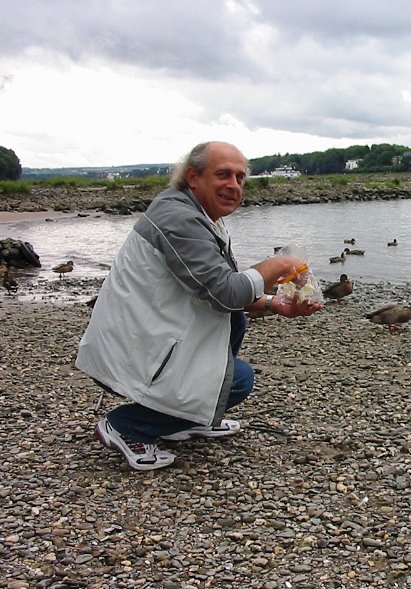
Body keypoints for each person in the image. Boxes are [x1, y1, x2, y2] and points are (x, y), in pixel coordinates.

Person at [76, 141, 323, 471]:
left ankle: (193, 415)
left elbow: (216, 286)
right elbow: (225, 293)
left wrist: (272, 304)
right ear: (193, 177)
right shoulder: (180, 219)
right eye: (223, 174)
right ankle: (127, 426)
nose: (234, 185)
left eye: (240, 177)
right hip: (130, 349)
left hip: (146, 334)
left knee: (234, 323)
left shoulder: (199, 215)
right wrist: (278, 264)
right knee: (237, 380)